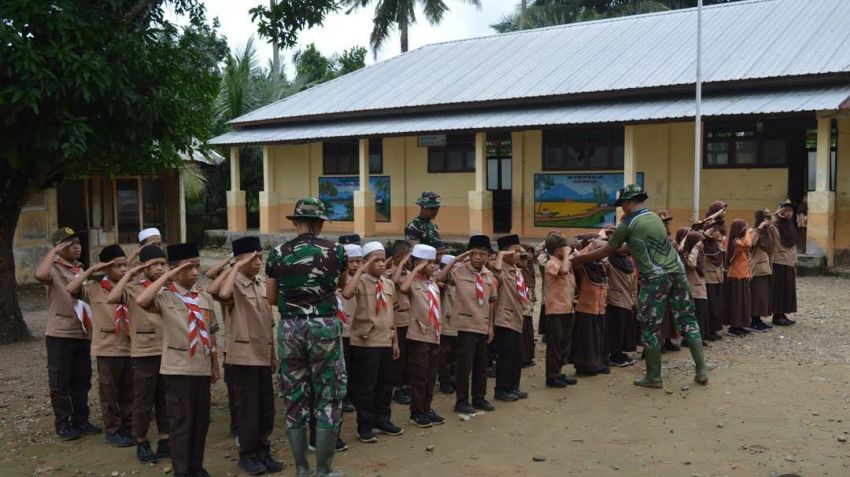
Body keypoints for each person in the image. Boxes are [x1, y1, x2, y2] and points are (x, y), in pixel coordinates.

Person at [572, 184, 708, 388]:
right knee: (687, 319)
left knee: (650, 326)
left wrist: (579, 260)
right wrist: (610, 245)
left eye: (622, 205)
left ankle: (654, 376)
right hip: (677, 273)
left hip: (655, 278)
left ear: (628, 202)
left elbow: (608, 251)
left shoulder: (628, 222)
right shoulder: (654, 218)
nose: (622, 209)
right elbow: (633, 247)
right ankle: (701, 370)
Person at [264, 198, 347, 477]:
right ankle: (324, 470)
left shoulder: (276, 253)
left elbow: (272, 298)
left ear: (294, 221)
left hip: (290, 327)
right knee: (328, 396)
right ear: (321, 223)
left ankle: (302, 469)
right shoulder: (337, 250)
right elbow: (342, 285)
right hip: (324, 326)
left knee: (294, 397)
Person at [136, 243, 220, 477]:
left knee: (201, 422)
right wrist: (168, 276)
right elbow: (142, 301)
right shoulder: (164, 297)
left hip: (201, 368)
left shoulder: (203, 297)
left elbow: (211, 332)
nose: (195, 272)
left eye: (197, 267)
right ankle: (182, 471)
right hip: (178, 369)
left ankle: (196, 466)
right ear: (175, 270)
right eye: (189, 268)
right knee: (181, 423)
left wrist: (214, 365)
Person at [209, 236, 283, 475]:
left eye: (260, 256)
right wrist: (236, 267)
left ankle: (263, 451)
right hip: (242, 356)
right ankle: (247, 455)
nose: (259, 261)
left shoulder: (261, 283)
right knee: (247, 409)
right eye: (254, 257)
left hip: (262, 355)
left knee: (266, 408)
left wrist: (273, 356)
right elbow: (219, 294)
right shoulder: (234, 284)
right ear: (239, 260)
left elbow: (269, 323)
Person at [34, 227, 101, 441]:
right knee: (60, 381)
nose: (77, 247)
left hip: (82, 333)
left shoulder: (81, 269)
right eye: (70, 244)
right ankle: (63, 423)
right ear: (59, 248)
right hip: (60, 333)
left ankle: (81, 420)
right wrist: (53, 252)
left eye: (78, 243)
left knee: (82, 380)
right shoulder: (53, 268)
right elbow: (40, 275)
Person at [106, 244, 171, 463]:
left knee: (165, 398)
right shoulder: (133, 287)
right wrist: (130, 275)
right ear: (144, 267)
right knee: (143, 399)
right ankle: (141, 441)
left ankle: (165, 438)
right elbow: (112, 297)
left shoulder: (169, 287)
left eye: (163, 264)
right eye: (155, 265)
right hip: (144, 351)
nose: (161, 268)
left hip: (168, 350)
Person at [65, 244, 134, 447]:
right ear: (106, 269)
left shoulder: (130, 287)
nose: (123, 269)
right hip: (107, 347)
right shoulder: (94, 290)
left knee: (129, 390)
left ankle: (129, 426)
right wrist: (91, 270)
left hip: (131, 346)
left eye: (125, 265)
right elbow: (71, 289)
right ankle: (113, 429)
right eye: (117, 266)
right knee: (109, 391)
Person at [341, 241, 402, 444]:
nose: (382, 264)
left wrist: (395, 340)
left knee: (386, 384)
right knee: (366, 386)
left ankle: (382, 420)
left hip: (385, 340)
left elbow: (392, 312)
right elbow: (347, 293)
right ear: (366, 262)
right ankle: (365, 426)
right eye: (376, 260)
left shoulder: (388, 284)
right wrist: (362, 270)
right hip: (365, 341)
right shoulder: (360, 281)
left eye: (384, 260)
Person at [436, 235, 497, 414]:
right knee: (465, 365)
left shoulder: (488, 275)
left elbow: (491, 302)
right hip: (465, 324)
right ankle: (462, 400)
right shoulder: (459, 271)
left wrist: (491, 326)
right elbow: (441, 277)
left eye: (482, 254)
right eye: (475, 253)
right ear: (469, 254)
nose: (478, 257)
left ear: (488, 256)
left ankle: (479, 397)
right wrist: (457, 259)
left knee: (481, 364)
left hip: (483, 324)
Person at [399, 244, 444, 428]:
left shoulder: (431, 282)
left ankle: (426, 408)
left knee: (431, 375)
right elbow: (403, 288)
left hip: (434, 333)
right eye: (429, 263)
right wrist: (416, 267)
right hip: (419, 334)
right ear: (418, 263)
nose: (433, 267)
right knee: (420, 376)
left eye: (434, 263)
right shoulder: (413, 282)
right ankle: (416, 411)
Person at [491, 234, 530, 402]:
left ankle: (513, 386)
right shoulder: (498, 269)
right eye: (514, 251)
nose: (519, 254)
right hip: (504, 318)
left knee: (516, 356)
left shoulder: (517, 271)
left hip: (516, 317)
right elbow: (496, 274)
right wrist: (500, 256)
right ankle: (501, 389)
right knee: (505, 357)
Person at [569, 238, 610, 376]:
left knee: (600, 340)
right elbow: (575, 259)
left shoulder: (601, 267)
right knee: (587, 341)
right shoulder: (582, 267)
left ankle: (600, 363)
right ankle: (587, 366)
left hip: (600, 310)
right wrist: (590, 246)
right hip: (586, 310)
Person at [542, 233, 577, 388]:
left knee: (564, 343)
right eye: (564, 246)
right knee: (555, 344)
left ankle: (559, 371)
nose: (567, 248)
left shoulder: (564, 262)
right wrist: (567, 255)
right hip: (555, 310)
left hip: (567, 308)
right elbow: (562, 272)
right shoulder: (552, 263)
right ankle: (552, 375)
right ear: (557, 250)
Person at [389, 240, 413, 405]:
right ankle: (397, 388)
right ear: (398, 257)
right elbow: (394, 281)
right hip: (398, 320)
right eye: (407, 256)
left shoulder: (409, 272)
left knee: (408, 356)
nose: (410, 260)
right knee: (399, 356)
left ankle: (406, 384)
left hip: (410, 319)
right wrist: (401, 263)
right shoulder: (390, 272)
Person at [605, 246, 638, 367]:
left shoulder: (628, 261)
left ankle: (620, 353)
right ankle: (614, 355)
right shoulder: (609, 260)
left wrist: (634, 298)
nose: (625, 247)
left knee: (625, 328)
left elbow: (633, 280)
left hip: (628, 299)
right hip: (616, 300)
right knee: (616, 329)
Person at [702, 201, 728, 341]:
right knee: (710, 301)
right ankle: (708, 329)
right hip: (709, 267)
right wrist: (713, 217)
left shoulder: (720, 227)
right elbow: (704, 233)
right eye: (722, 210)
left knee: (717, 300)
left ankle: (714, 328)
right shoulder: (709, 225)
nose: (724, 213)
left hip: (718, 266)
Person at [679, 230, 710, 344]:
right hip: (693, 289)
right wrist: (695, 249)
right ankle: (690, 339)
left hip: (700, 288)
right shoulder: (688, 254)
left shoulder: (700, 253)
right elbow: (691, 264)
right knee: (694, 315)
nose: (701, 244)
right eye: (699, 242)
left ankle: (698, 337)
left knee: (701, 314)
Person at [771, 200, 798, 326]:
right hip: (779, 261)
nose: (789, 214)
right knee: (779, 290)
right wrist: (776, 214)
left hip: (789, 262)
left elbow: (793, 245)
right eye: (786, 210)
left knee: (787, 290)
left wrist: (795, 261)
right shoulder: (775, 225)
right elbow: (766, 224)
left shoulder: (790, 225)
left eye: (791, 211)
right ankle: (777, 315)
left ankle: (783, 314)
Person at [725, 219, 754, 336]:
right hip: (736, 275)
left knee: (743, 302)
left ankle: (741, 324)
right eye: (744, 229)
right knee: (737, 302)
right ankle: (734, 326)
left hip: (743, 274)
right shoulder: (736, 242)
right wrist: (749, 231)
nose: (745, 231)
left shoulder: (739, 241)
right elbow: (748, 244)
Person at [749, 209, 775, 332]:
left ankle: (758, 318)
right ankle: (754, 320)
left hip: (767, 268)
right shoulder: (754, 231)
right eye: (767, 218)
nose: (769, 221)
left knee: (763, 296)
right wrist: (759, 227)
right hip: (758, 268)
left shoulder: (768, 232)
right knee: (757, 295)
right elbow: (752, 243)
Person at [437, 254, 459, 394]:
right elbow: (441, 278)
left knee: (457, 355)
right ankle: (444, 381)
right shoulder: (443, 284)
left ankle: (454, 379)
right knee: (444, 354)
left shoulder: (460, 283)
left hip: (460, 323)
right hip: (445, 324)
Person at [518, 244, 537, 368]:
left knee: (528, 332)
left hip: (528, 306)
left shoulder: (528, 269)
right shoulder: (517, 272)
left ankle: (528, 357)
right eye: (522, 258)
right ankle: (522, 358)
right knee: (523, 332)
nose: (526, 259)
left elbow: (532, 285)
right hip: (520, 308)